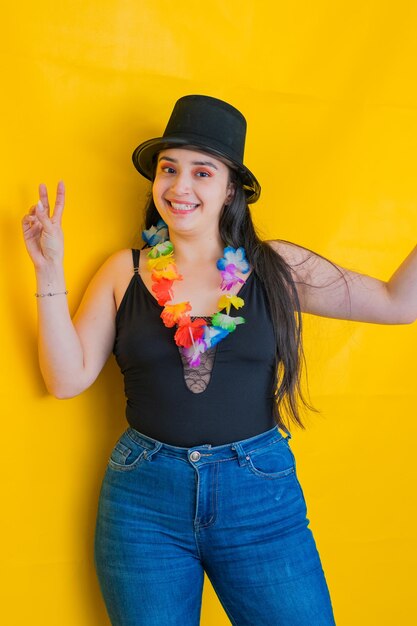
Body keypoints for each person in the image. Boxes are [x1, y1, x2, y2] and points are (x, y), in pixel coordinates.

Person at [22, 95, 416, 626]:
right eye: (169, 169)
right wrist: (50, 272)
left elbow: (399, 304)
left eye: (201, 172)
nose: (180, 187)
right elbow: (66, 380)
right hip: (143, 502)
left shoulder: (277, 268)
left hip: (257, 494)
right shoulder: (125, 271)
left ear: (231, 189)